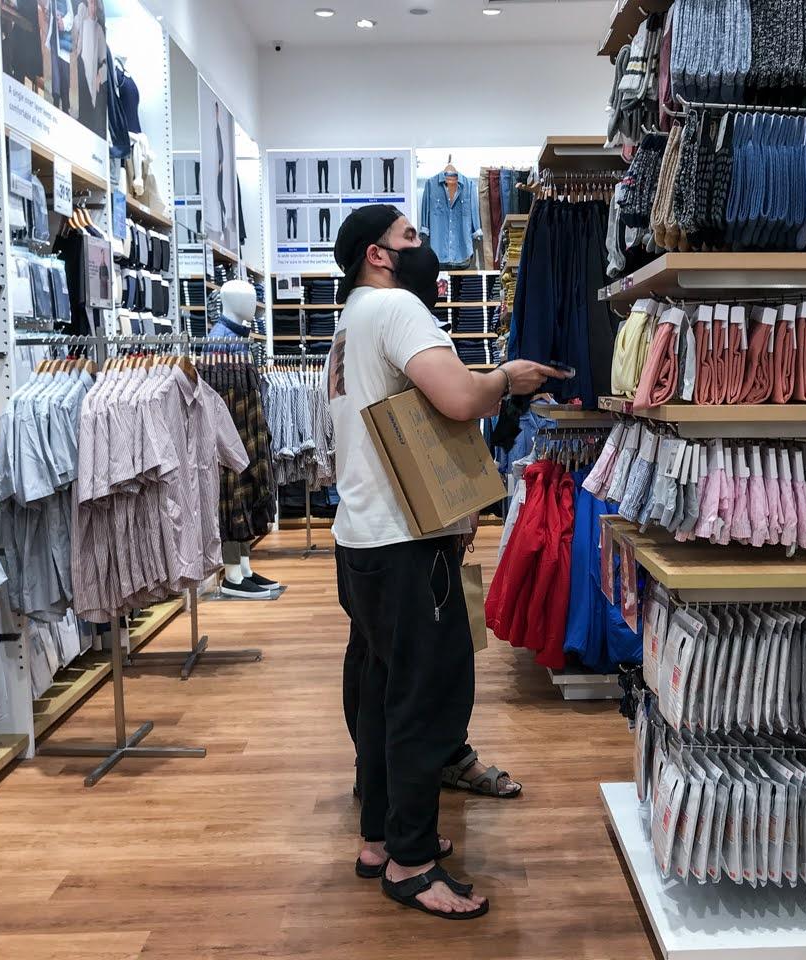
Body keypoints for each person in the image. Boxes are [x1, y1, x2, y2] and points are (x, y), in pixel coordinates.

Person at [326, 204, 567, 920]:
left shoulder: (349, 322)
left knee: (378, 693)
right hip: (408, 539)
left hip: (361, 538)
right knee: (424, 699)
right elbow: (459, 397)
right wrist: (506, 378)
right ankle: (412, 862)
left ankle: (381, 839)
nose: (424, 248)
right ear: (377, 253)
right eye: (411, 238)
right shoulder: (398, 309)